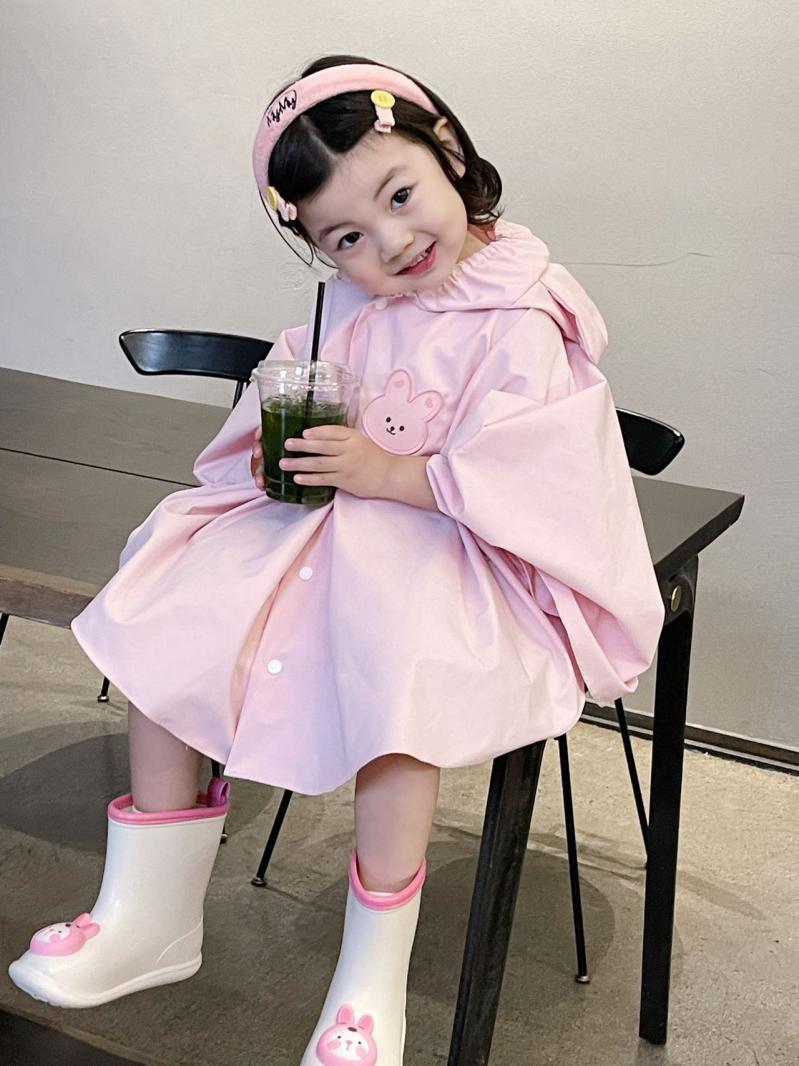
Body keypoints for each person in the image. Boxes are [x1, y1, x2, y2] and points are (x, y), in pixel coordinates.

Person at [8, 55, 664, 1064]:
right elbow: (291, 392)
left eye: (399, 196)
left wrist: (387, 469)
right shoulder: (347, 303)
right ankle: (148, 910)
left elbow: (543, 477)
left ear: (448, 152)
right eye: (345, 237)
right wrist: (274, 445)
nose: (389, 244)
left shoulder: (521, 311)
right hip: (336, 527)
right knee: (170, 604)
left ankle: (368, 985)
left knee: (395, 689)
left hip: (457, 551)